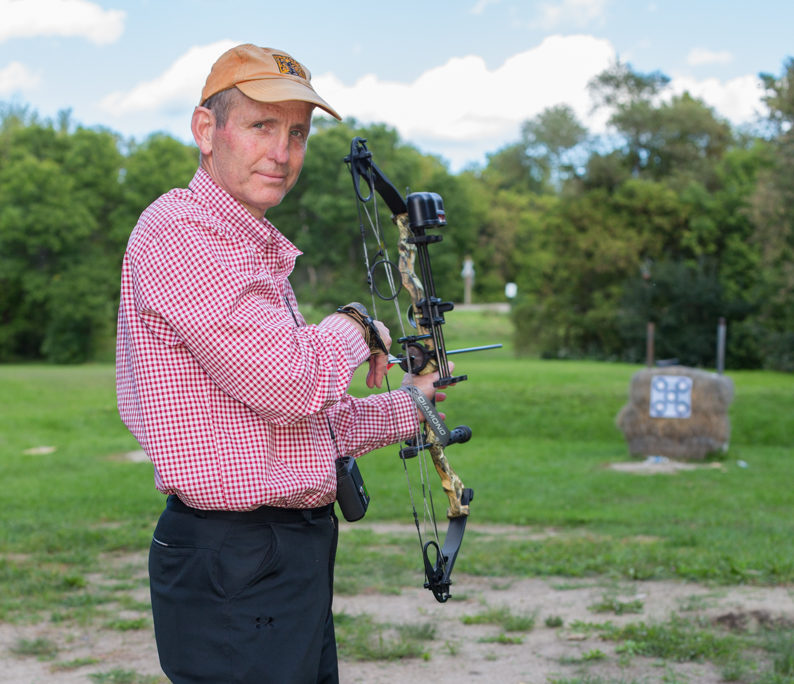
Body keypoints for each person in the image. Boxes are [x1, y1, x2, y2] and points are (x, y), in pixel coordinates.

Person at [115, 44, 446, 683]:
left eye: (297, 132)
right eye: (262, 125)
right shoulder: (183, 233)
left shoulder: (249, 248)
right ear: (206, 130)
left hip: (279, 553)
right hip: (235, 557)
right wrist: (355, 325)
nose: (283, 151)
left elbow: (304, 424)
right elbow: (291, 383)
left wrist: (413, 405)